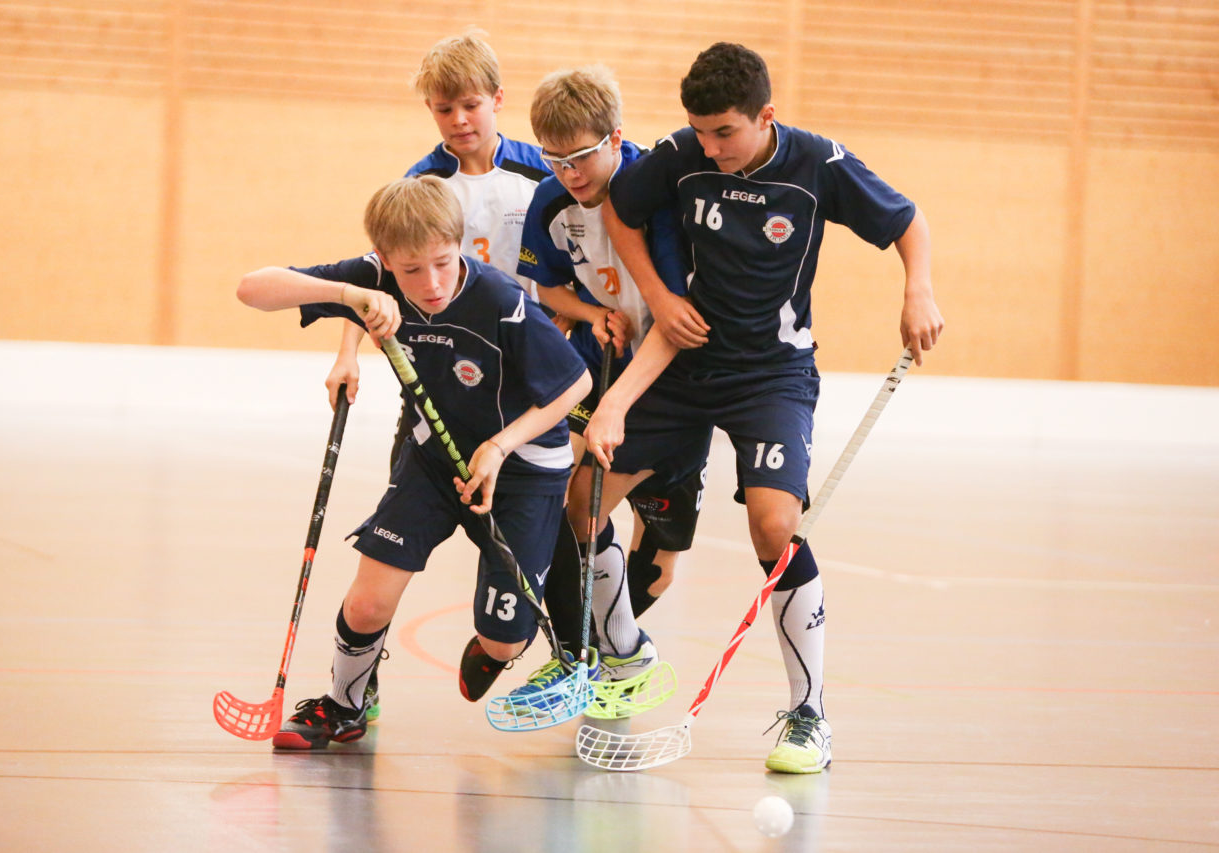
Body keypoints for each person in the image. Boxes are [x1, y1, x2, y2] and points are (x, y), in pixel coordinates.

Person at [582, 42, 944, 773]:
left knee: (776, 525)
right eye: (700, 132)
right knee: (582, 499)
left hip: (770, 373)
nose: (709, 148)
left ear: (765, 117)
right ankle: (623, 656)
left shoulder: (818, 166)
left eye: (725, 133)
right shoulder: (684, 153)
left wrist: (919, 290)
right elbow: (621, 212)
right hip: (683, 361)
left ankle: (809, 715)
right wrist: (659, 297)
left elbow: (908, 222)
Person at [236, 176, 591, 749]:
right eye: (409, 271)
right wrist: (355, 297)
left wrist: (499, 447)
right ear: (385, 261)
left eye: (443, 263)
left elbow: (576, 383)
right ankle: (345, 703)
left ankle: (500, 640)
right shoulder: (375, 280)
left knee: (504, 638)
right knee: (370, 597)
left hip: (521, 468)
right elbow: (252, 289)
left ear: (461, 244)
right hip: (434, 458)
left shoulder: (502, 301)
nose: (429, 284)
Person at [492, 65, 710, 709]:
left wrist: (620, 399)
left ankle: (607, 648)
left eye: (583, 157)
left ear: (617, 136)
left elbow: (676, 318)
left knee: (657, 570)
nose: (570, 174)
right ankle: (601, 657)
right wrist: (592, 315)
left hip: (676, 382)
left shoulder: (658, 197)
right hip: (605, 367)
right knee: (574, 499)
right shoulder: (553, 201)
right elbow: (549, 283)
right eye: (556, 161)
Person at [324, 31, 549, 414]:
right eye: (444, 110)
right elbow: (376, 271)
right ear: (430, 107)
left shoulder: (543, 172)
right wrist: (348, 354)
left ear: (497, 98)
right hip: (448, 353)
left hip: (530, 346)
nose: (459, 120)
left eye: (471, 105)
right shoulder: (421, 184)